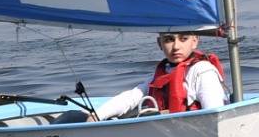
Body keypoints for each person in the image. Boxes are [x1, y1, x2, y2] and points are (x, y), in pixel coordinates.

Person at [89, 30, 227, 119]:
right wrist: (96, 116)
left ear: (195, 41)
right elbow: (130, 99)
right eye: (168, 40)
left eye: (183, 39)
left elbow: (215, 115)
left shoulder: (203, 71)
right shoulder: (160, 76)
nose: (176, 47)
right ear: (159, 43)